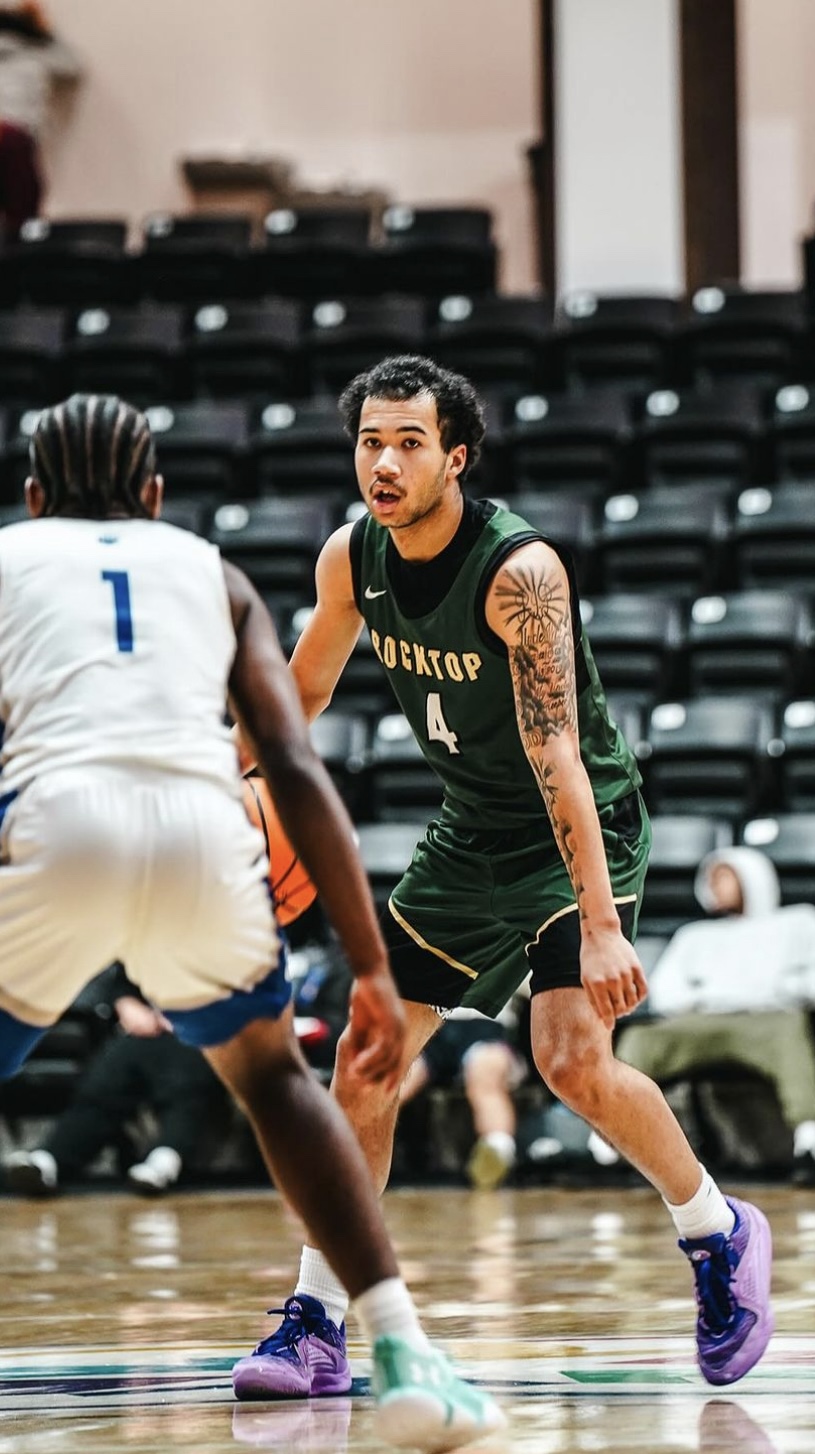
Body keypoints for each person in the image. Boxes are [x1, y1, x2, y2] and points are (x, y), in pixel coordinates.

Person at [233, 354, 774, 1397]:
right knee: (366, 1054)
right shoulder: (352, 558)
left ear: (456, 457)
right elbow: (296, 697)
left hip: (577, 827)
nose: (384, 463)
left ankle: (716, 1230)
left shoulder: (519, 571)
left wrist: (601, 925)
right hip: (473, 830)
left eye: (409, 443)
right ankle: (318, 1317)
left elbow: (555, 751)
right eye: (370, 442)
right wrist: (219, 787)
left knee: (570, 1060)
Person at [0, 391, 504, 1452]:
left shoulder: (8, 558)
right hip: (203, 826)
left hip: (54, 819)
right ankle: (403, 1350)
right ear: (154, 494)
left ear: (34, 496)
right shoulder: (210, 572)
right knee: (278, 1083)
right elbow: (292, 764)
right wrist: (370, 967)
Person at [614, 846, 815, 1184]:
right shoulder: (694, 935)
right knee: (640, 1038)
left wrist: (773, 992)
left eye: (724, 878)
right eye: (712, 879)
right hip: (699, 1021)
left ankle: (809, 1139)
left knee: (791, 1034)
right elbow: (666, 991)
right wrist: (733, 994)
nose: (714, 886)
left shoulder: (799, 923)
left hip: (769, 1020)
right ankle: (608, 1144)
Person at [2, 963, 230, 1196]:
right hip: (146, 1030)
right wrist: (127, 1004)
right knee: (103, 1084)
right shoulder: (145, 942)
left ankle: (166, 1158)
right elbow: (124, 981)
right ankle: (50, 1160)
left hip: (205, 1034)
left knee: (185, 1083)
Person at [398, 996, 528, 1190]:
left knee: (486, 1073)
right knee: (395, 1082)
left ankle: (497, 1152)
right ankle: (359, 1149)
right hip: (425, 1025)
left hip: (487, 1026)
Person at [0, 2, 80, 240]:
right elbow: (72, 67)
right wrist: (46, 32)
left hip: (12, 136)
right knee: (23, 224)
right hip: (15, 136)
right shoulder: (37, 54)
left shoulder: (35, 55)